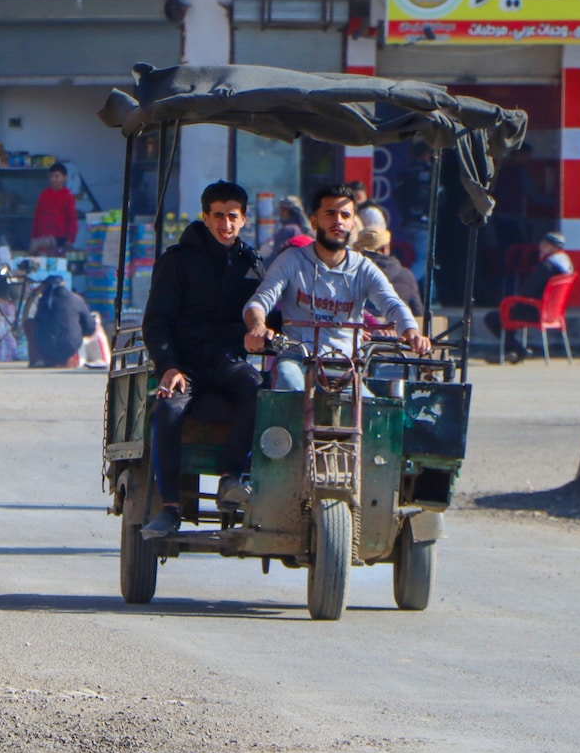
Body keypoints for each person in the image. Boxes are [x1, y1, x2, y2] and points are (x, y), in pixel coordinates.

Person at [138, 182, 267, 540]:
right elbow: (156, 322)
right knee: (168, 410)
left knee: (258, 389)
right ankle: (169, 508)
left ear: (244, 218)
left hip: (226, 362)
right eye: (219, 216)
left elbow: (268, 316)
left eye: (233, 217)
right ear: (206, 217)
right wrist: (168, 366)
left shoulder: (251, 263)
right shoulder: (177, 261)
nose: (226, 224)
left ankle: (232, 478)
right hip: (184, 364)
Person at [243, 184, 431, 393]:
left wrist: (411, 331)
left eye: (345, 215)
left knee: (377, 414)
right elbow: (261, 300)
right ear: (314, 221)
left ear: (352, 224)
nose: (338, 221)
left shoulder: (363, 268)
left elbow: (392, 303)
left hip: (344, 366)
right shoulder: (292, 260)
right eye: (330, 213)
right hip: (297, 359)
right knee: (291, 388)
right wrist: (257, 326)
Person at [29, 274, 98, 368]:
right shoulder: (77, 299)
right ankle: (91, 359)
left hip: (45, 348)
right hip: (70, 347)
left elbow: (38, 322)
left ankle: (38, 360)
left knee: (30, 324)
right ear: (64, 284)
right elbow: (90, 328)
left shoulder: (43, 301)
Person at [356, 226, 423, 322]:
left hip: (361, 331)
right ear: (385, 248)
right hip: (398, 331)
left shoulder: (351, 273)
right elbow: (418, 314)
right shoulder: (406, 275)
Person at [29, 164, 79, 254]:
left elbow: (72, 219)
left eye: (57, 176)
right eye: (51, 176)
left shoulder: (68, 197)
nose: (53, 179)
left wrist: (71, 239)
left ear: (64, 177)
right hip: (42, 237)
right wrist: (34, 236)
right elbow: (37, 216)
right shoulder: (44, 194)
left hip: (59, 238)